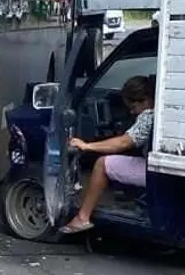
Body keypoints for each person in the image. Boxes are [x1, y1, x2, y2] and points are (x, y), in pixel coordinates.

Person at [59, 74, 156, 235]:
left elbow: (123, 143)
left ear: (144, 100)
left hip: (152, 171)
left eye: (132, 108)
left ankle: (82, 218)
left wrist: (87, 146)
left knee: (102, 163)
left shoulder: (148, 116)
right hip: (153, 166)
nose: (132, 113)